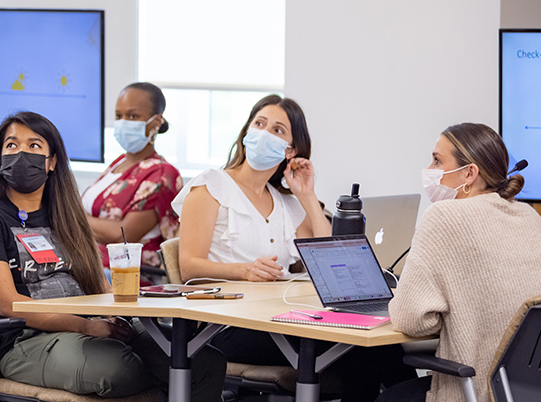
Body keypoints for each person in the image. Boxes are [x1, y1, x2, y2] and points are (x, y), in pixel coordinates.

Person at [0, 111, 227, 401]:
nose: (21, 152)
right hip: (29, 340)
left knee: (203, 363)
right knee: (118, 369)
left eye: (34, 145)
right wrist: (85, 326)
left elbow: (99, 286)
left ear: (52, 162)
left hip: (95, 324)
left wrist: (116, 318)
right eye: (11, 145)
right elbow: (9, 304)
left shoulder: (68, 218)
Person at [173, 94, 413, 402]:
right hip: (229, 326)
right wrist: (243, 271)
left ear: (291, 150)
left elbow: (330, 258)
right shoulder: (211, 186)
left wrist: (307, 195)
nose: (263, 133)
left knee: (377, 347)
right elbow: (189, 266)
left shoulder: (285, 202)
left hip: (279, 319)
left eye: (277, 130)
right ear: (246, 132)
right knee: (362, 351)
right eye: (259, 124)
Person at [378, 123, 541, 402]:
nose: (429, 168)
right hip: (524, 390)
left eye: (438, 160)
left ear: (469, 173)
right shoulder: (529, 216)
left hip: (474, 390)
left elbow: (411, 320)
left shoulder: (444, 216)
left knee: (377, 381)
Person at [82, 82, 181, 284]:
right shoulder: (119, 163)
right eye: (119, 116)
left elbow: (123, 236)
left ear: (155, 123)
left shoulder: (162, 174)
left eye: (133, 116)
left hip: (128, 277)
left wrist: (71, 218)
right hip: (93, 266)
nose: (123, 122)